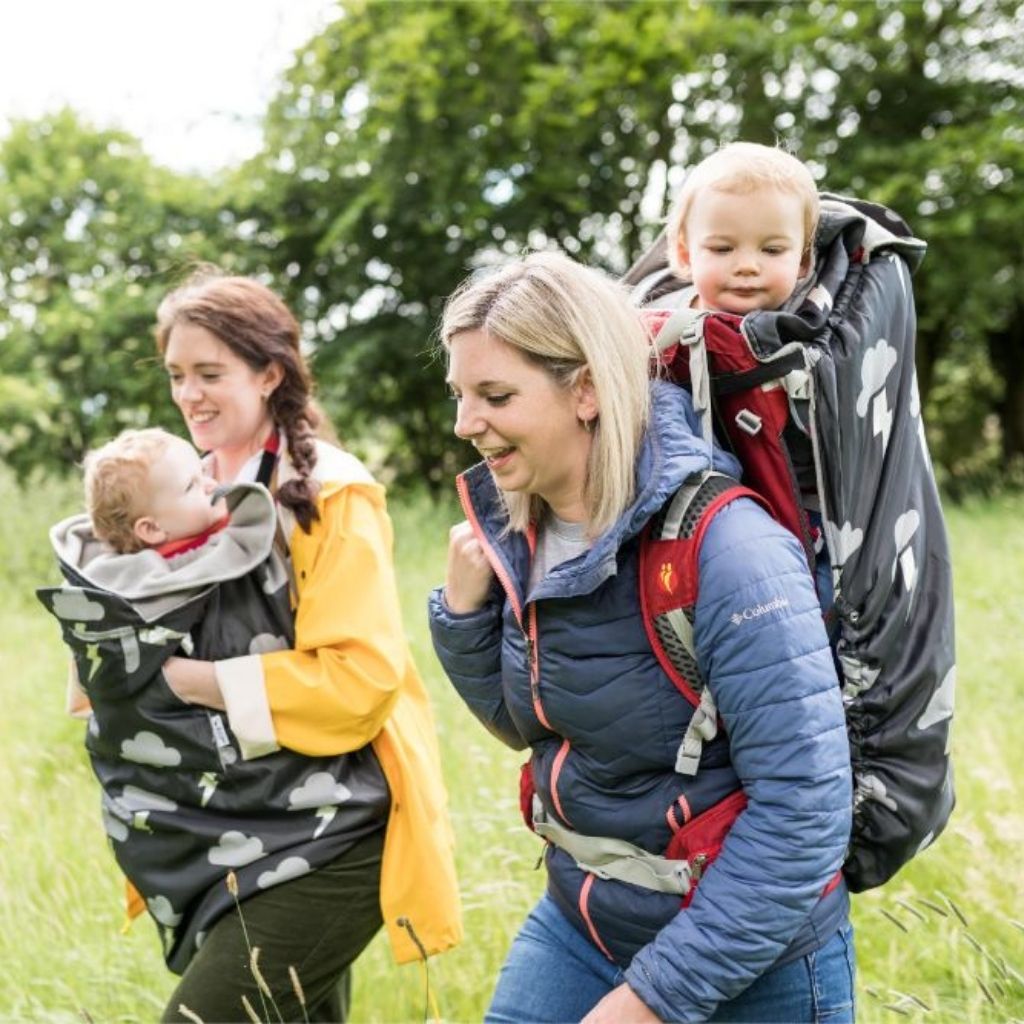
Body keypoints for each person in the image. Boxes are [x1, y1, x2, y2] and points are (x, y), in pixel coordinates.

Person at [428, 251, 853, 1023]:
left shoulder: (730, 551)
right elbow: (527, 724)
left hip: (751, 953)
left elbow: (805, 812)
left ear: (585, 390)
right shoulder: (521, 530)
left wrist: (653, 1000)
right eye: (459, 395)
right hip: (584, 923)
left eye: (494, 395)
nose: (465, 425)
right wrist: (461, 616)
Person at [127, 270, 457, 1021]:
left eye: (211, 374)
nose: (189, 395)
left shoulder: (331, 494)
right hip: (237, 827)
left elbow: (359, 679)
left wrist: (190, 681)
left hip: (337, 831)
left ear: (269, 373)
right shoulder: (184, 494)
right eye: (179, 375)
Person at [665, 141, 819, 315]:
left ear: (803, 260)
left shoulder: (819, 332)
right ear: (685, 255)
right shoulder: (649, 324)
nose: (747, 266)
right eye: (722, 249)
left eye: (772, 250)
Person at [83, 427, 228, 555]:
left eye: (203, 472)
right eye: (190, 486)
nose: (211, 485)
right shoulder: (185, 568)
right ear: (151, 529)